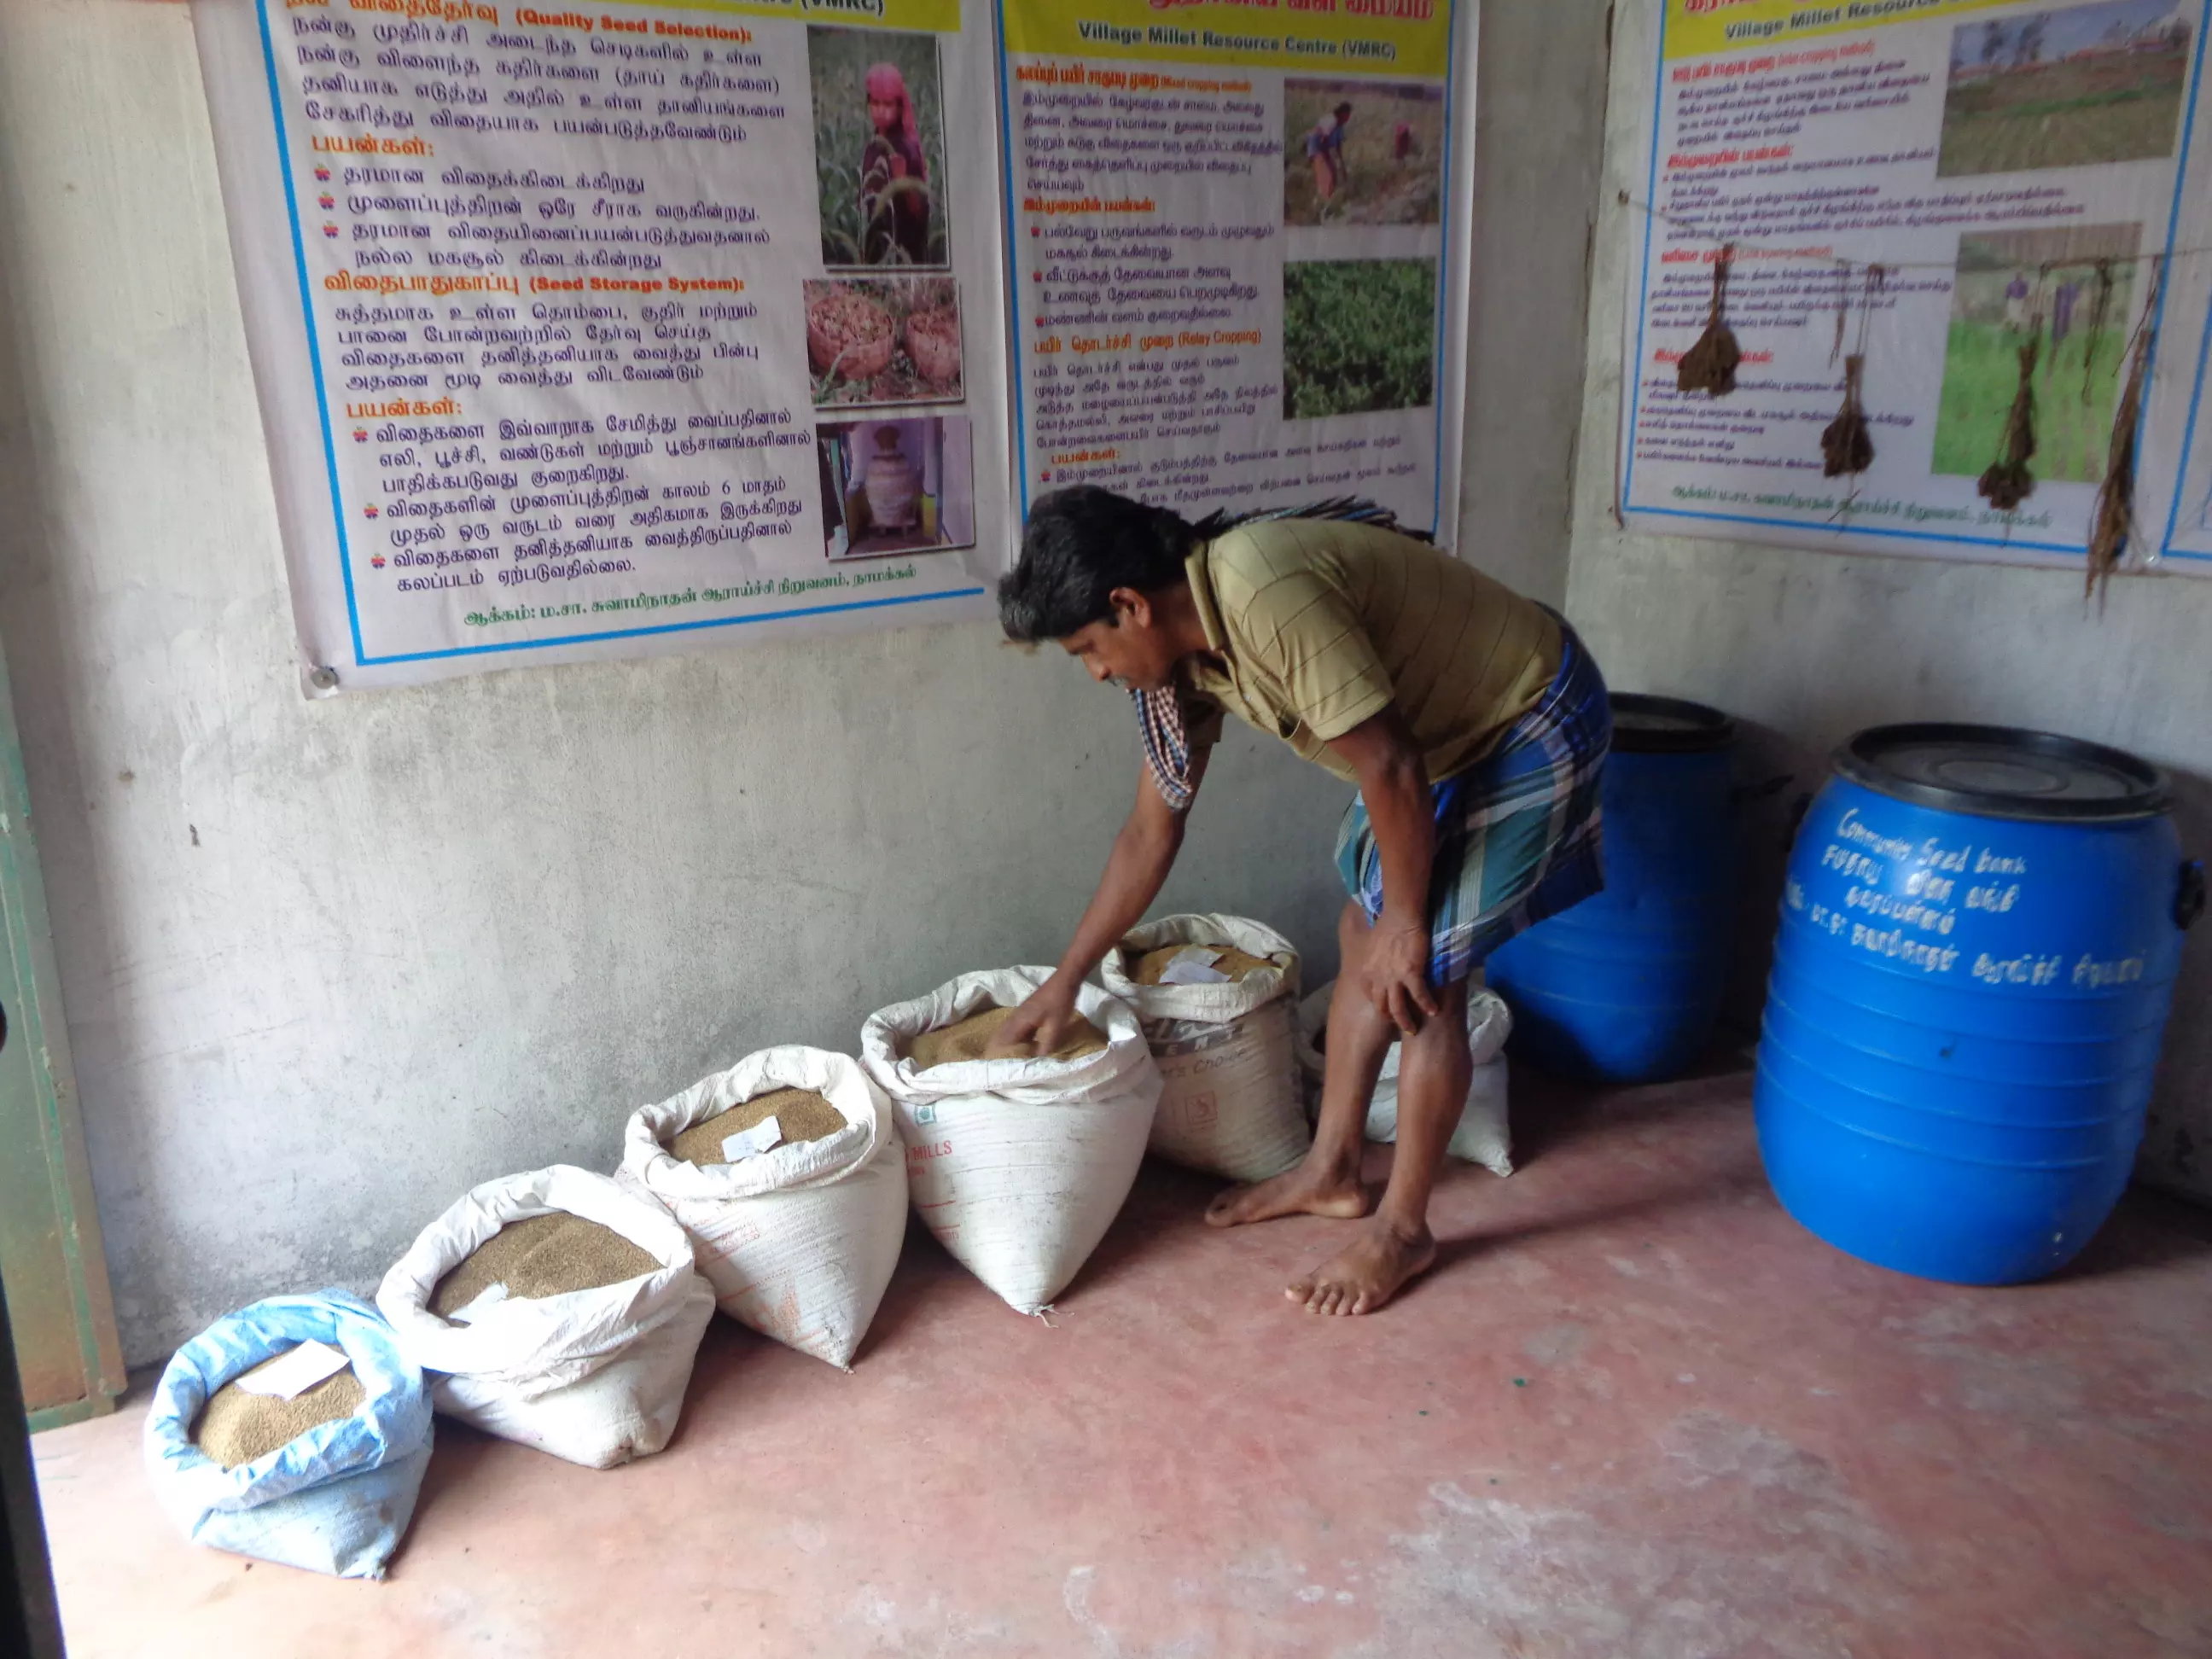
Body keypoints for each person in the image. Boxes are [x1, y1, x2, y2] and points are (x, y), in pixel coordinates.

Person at [992, 491, 1611, 1316]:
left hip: (1527, 710)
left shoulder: (1260, 593)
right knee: (1364, 930)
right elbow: (1149, 834)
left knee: (1423, 978)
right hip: (1439, 736)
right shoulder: (1177, 666)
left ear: (1129, 606)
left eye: (1087, 650)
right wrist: (1066, 979)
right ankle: (1332, 1170)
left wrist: (1409, 925)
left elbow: (1388, 764)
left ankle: (1404, 1231)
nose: (1096, 671)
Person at [861, 62, 932, 265]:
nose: (880, 111)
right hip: (878, 248)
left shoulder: (907, 149)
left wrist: (902, 180)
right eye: (875, 103)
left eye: (888, 104)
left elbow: (920, 214)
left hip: (903, 251)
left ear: (900, 106)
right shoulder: (873, 146)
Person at [1306, 101, 1353, 207]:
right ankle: (1322, 204)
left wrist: (1342, 166)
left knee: (1333, 174)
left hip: (1324, 151)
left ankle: (1329, 201)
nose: (1348, 117)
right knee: (1326, 176)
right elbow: (1323, 139)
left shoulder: (1340, 127)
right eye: (1347, 114)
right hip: (1317, 149)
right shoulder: (1331, 121)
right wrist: (1329, 158)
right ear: (1341, 113)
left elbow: (1338, 148)